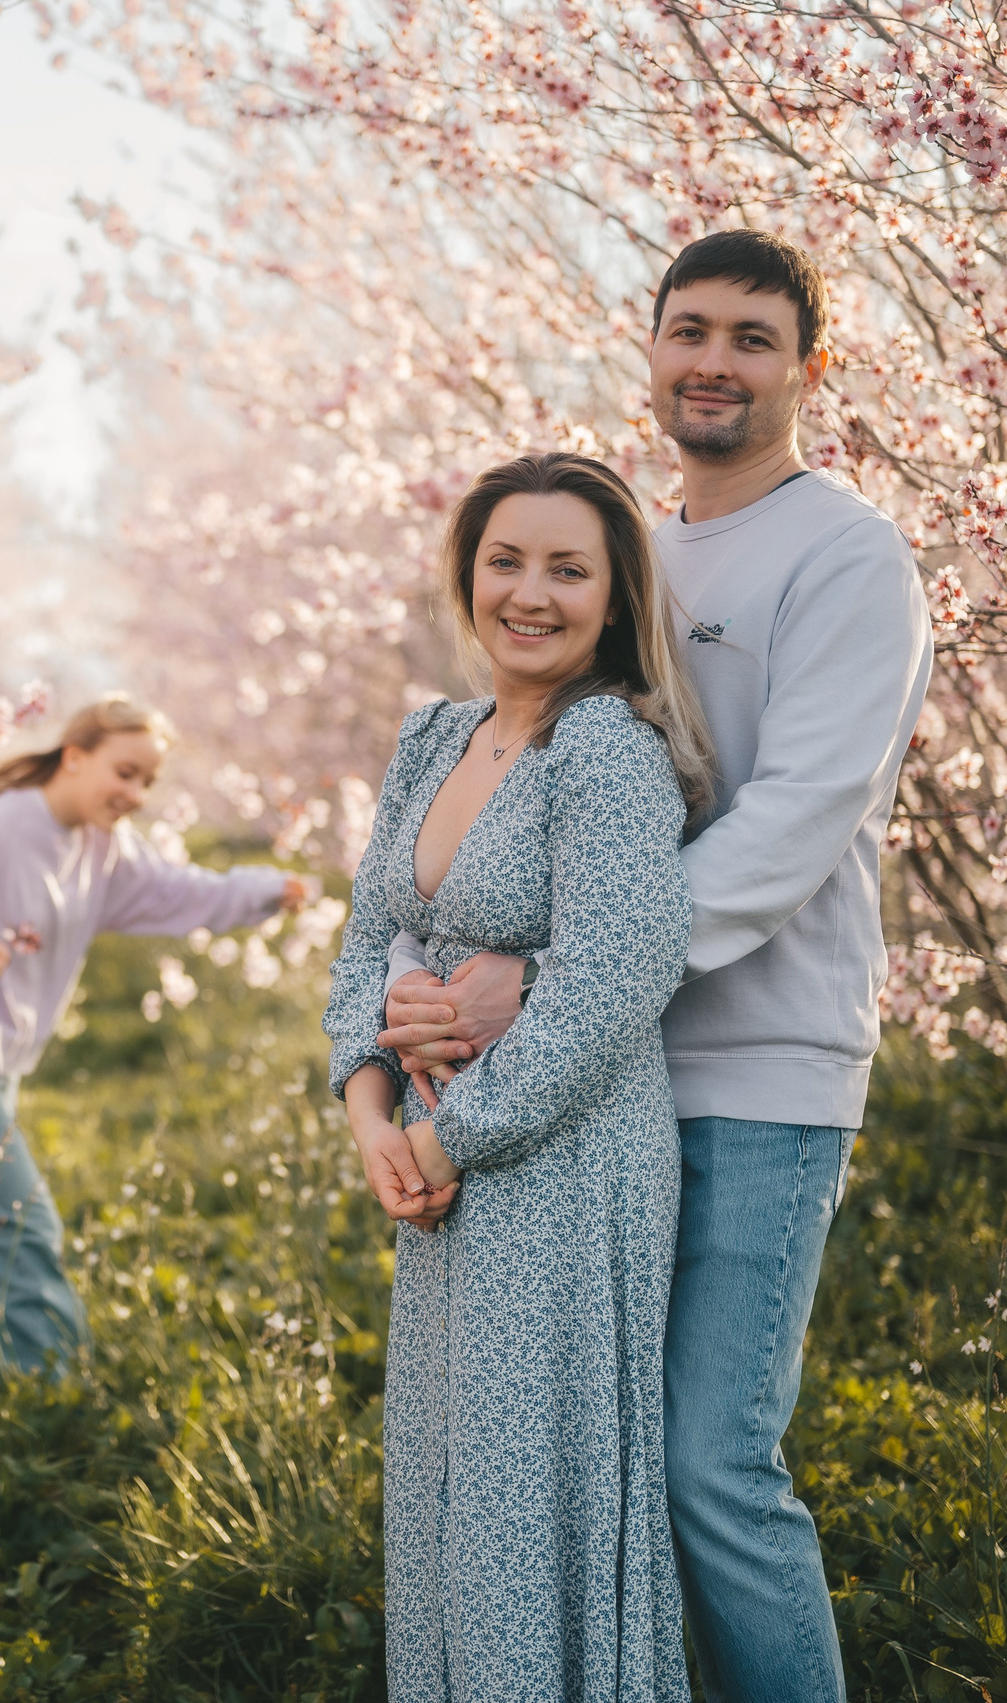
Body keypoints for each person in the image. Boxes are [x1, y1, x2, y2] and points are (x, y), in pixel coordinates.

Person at [377, 230, 934, 1701]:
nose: (714, 360)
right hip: (587, 1089)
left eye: (754, 337)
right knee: (594, 1462)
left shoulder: (846, 553)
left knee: (710, 1463)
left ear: (810, 369)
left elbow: (804, 811)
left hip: (761, 1059)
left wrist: (560, 976)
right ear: (651, 350)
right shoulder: (626, 548)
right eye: (690, 329)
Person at [328, 450, 713, 1701]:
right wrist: (369, 1110)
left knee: (529, 1480)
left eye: (567, 567)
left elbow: (616, 971)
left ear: (613, 595)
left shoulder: (604, 748)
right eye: (505, 560)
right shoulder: (433, 735)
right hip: (436, 1165)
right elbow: (358, 945)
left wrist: (455, 1139)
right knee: (452, 1474)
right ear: (467, 574)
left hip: (566, 1162)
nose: (530, 592)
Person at [0, 695, 311, 1374]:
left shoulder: (100, 846)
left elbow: (182, 892)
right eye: (125, 772)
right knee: (16, 1218)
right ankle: (50, 1394)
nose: (136, 793)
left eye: (148, 780)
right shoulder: (1, 826)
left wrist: (264, 889)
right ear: (74, 756)